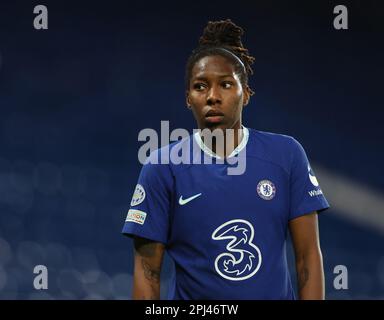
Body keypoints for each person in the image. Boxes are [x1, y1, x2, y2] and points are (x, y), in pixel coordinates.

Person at [122, 19, 329, 300]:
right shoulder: (161, 166)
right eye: (200, 86)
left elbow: (307, 260)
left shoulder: (287, 155)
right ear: (187, 98)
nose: (213, 97)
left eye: (226, 85)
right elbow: (148, 272)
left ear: (246, 94)